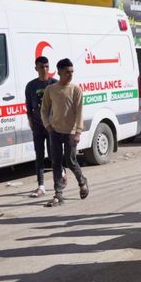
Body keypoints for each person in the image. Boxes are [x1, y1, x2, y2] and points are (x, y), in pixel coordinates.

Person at [40, 58, 89, 207]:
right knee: (56, 162)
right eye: (67, 72)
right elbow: (44, 110)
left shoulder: (75, 90)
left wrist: (78, 132)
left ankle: (82, 181)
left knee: (70, 160)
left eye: (72, 72)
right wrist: (47, 125)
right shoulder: (51, 89)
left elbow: (80, 112)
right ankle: (58, 194)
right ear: (60, 72)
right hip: (54, 131)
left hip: (71, 132)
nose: (70, 75)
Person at [25, 56, 58, 198]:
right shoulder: (31, 86)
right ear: (36, 69)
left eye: (46, 66)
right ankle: (41, 186)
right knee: (39, 155)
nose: (44, 69)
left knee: (52, 154)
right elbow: (28, 105)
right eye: (41, 67)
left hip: (51, 126)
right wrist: (30, 120)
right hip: (38, 125)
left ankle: (60, 174)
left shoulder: (54, 84)